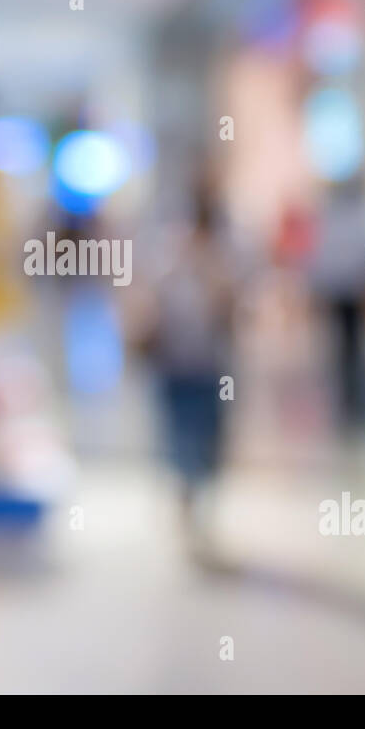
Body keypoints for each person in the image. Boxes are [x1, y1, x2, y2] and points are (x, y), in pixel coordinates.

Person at [143, 185, 241, 554]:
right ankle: (185, 501)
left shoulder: (221, 265)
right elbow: (150, 310)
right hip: (176, 368)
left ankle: (200, 505)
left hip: (209, 369)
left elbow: (230, 313)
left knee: (208, 442)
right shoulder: (168, 263)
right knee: (180, 439)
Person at [308, 177, 365, 431]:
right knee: (343, 348)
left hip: (354, 293)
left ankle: (356, 399)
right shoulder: (340, 218)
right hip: (342, 292)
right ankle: (348, 399)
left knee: (354, 347)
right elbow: (325, 257)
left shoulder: (356, 217)